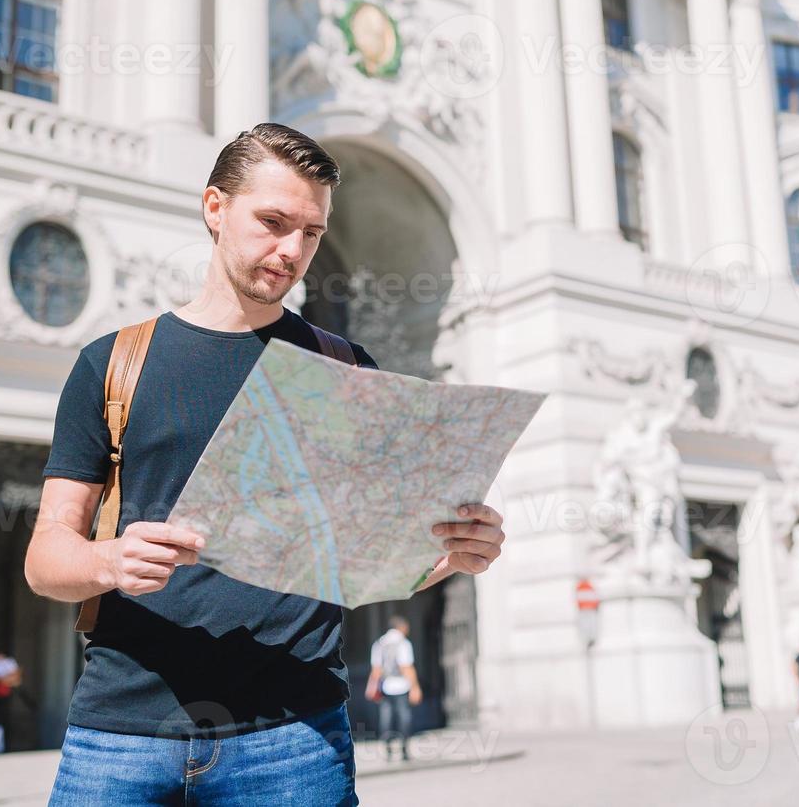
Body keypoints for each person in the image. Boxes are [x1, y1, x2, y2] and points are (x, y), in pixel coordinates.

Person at [25, 124, 509, 805]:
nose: (292, 251)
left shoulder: (343, 369)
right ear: (214, 208)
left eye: (312, 232)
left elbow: (369, 560)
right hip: (120, 738)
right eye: (274, 222)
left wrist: (454, 554)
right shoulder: (112, 365)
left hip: (294, 742)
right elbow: (46, 558)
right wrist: (110, 562)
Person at [366, 616, 422, 761]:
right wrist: (415, 687)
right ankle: (404, 749)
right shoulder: (403, 643)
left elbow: (376, 669)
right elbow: (406, 667)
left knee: (386, 718)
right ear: (401, 627)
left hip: (385, 686)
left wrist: (371, 687)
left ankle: (388, 750)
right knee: (404, 717)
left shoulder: (379, 643)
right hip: (401, 685)